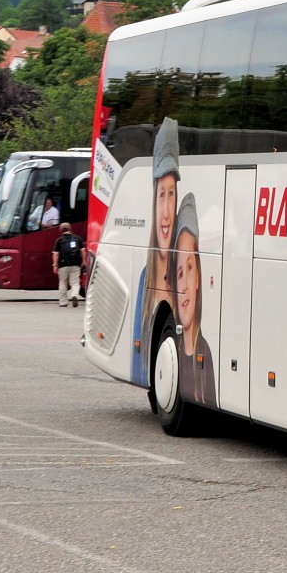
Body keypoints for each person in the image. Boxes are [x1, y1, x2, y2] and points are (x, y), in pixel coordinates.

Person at [132, 116, 180, 386]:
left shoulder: (183, 271)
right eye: (161, 194)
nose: (165, 211)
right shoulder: (144, 281)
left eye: (171, 194)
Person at [173, 193, 216, 407]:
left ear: (198, 276)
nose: (185, 286)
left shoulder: (205, 351)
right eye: (179, 273)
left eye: (189, 268)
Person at [51, 222, 86, 308]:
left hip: (63, 265)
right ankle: (74, 295)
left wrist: (55, 265)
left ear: (60, 230)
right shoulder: (77, 239)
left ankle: (63, 302)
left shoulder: (59, 240)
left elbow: (56, 254)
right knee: (75, 282)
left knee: (63, 282)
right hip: (76, 264)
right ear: (70, 229)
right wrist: (83, 261)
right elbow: (83, 251)